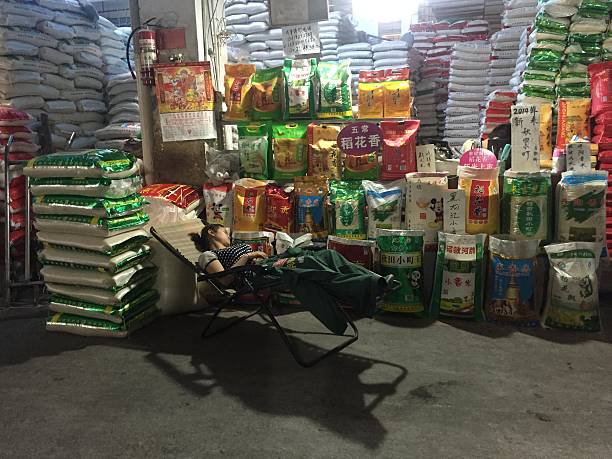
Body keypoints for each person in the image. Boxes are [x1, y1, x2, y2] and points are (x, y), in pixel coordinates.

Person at [190, 224, 395, 334]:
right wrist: (247, 257)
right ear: (211, 232)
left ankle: (375, 281)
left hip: (269, 265)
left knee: (327, 255)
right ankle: (371, 287)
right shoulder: (207, 255)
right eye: (224, 232)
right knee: (306, 265)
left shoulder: (231, 246)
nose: (228, 235)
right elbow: (224, 281)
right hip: (256, 276)